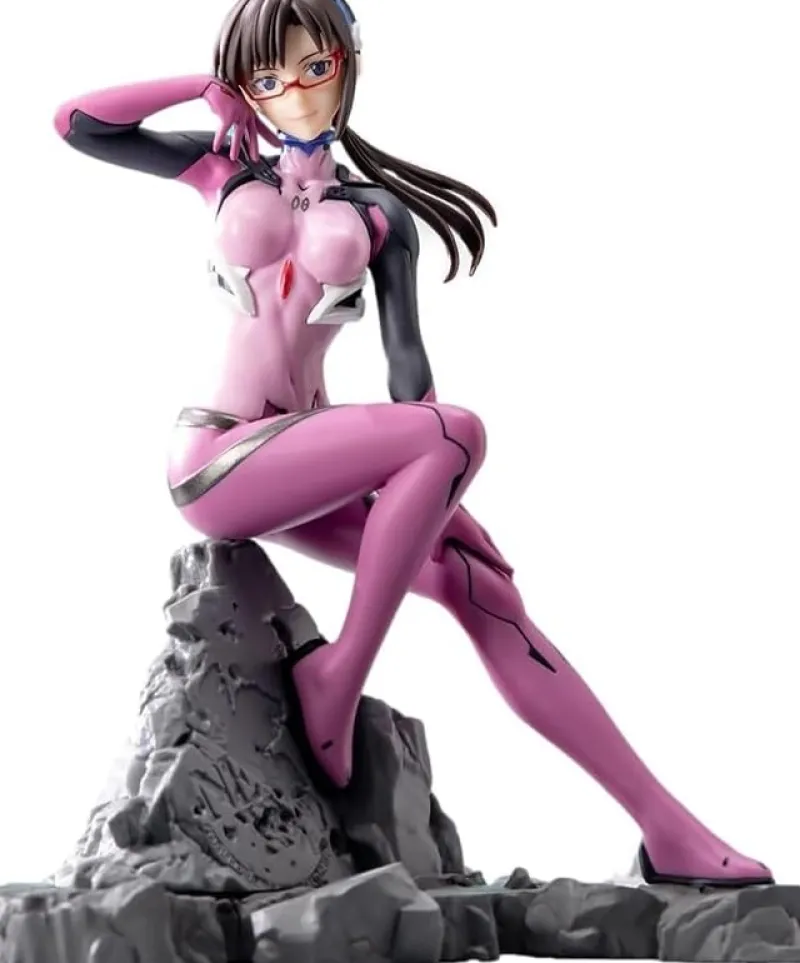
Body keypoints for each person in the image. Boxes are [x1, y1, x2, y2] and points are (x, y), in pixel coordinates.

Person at [54, 0, 772, 887]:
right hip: (217, 457)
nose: (295, 94)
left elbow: (408, 382)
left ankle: (668, 828)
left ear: (349, 62)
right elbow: (77, 122)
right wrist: (203, 87)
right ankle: (337, 678)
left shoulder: (380, 214)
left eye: (315, 68)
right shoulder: (219, 169)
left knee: (480, 586)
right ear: (247, 89)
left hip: (304, 460)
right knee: (459, 431)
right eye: (268, 78)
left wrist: (442, 506)